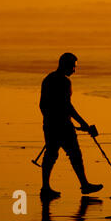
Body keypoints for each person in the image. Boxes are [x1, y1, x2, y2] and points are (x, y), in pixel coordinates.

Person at [39, 53, 103, 199]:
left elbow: (42, 105)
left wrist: (49, 120)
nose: (74, 70)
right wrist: (83, 123)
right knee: (74, 154)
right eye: (73, 66)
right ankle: (84, 185)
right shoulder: (64, 82)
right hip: (62, 126)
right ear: (64, 65)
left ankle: (45, 188)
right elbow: (67, 106)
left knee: (51, 155)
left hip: (50, 124)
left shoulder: (48, 79)